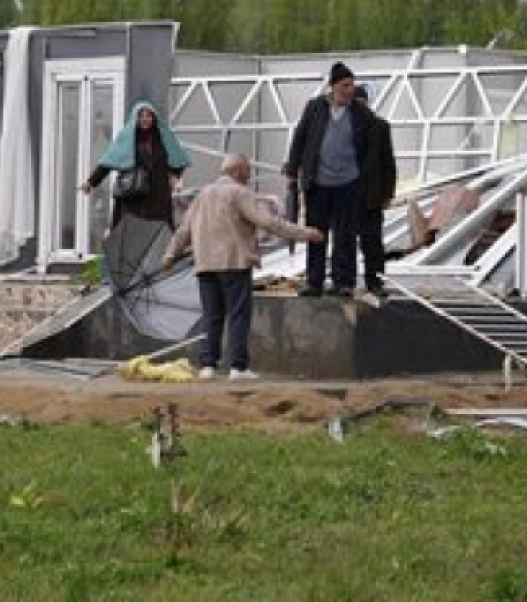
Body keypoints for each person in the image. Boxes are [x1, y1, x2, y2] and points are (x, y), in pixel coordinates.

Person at [160, 152, 322, 379]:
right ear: (236, 171)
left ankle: (208, 366)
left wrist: (169, 255)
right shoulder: (239, 193)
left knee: (211, 316)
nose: (249, 175)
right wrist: (305, 234)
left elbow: (184, 231)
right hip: (233, 262)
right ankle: (238, 367)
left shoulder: (202, 195)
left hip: (205, 265)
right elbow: (269, 222)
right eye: (247, 170)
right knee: (237, 315)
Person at [79, 101, 190, 323]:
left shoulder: (163, 139)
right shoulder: (127, 138)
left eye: (149, 116)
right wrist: (90, 183)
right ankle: (114, 277)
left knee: (161, 235)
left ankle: (160, 274)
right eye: (142, 117)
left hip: (157, 198)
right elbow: (107, 163)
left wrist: (177, 177)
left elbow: (177, 161)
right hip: (133, 199)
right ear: (135, 119)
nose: (146, 120)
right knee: (127, 238)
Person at [283, 61, 375, 297]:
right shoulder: (315, 108)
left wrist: (368, 176)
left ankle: (343, 281)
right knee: (315, 233)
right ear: (333, 86)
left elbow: (371, 145)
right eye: (345, 85)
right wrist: (293, 168)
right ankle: (314, 281)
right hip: (319, 182)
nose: (349, 90)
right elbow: (300, 138)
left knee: (345, 234)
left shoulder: (360, 112)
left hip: (349, 182)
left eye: (352, 85)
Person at [352, 83, 397, 297]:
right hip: (348, 194)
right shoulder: (341, 126)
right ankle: (347, 280)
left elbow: (388, 163)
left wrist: (388, 193)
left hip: (370, 194)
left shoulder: (379, 127)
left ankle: (375, 280)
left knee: (372, 241)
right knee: (348, 241)